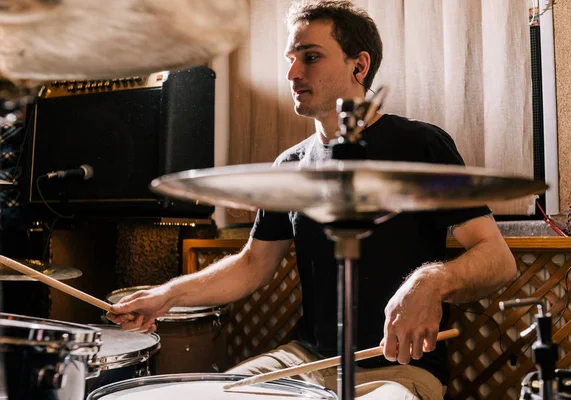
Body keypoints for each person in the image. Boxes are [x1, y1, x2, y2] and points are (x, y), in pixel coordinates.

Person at [107, 1, 516, 398]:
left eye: (311, 57)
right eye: (290, 58)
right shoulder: (290, 165)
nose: (292, 72)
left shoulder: (421, 144)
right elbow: (252, 265)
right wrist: (167, 296)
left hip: (398, 368)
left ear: (360, 65)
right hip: (307, 361)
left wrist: (432, 280)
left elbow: (498, 259)